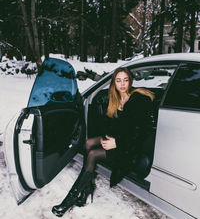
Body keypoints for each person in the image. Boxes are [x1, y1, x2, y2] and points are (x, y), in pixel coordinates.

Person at [52, 67, 154, 217]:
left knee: (93, 154)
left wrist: (117, 143)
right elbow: (116, 126)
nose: (123, 84)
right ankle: (86, 188)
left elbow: (140, 133)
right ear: (114, 83)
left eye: (126, 80)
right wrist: (108, 137)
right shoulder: (115, 98)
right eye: (118, 80)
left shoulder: (138, 100)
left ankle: (70, 199)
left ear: (130, 81)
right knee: (88, 143)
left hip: (129, 149)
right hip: (118, 139)